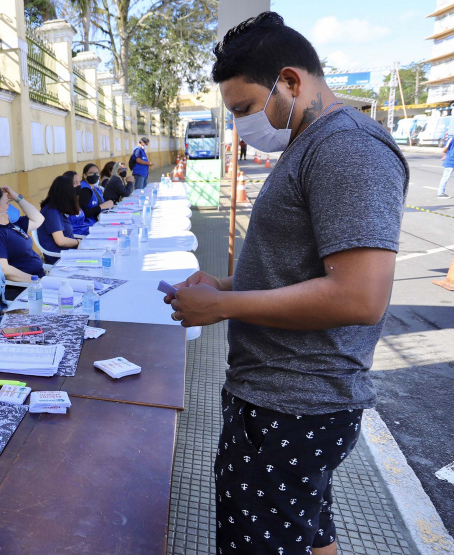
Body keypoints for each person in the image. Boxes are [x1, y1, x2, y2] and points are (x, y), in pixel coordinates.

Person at [164, 13, 407, 555]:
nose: (241, 127)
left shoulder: (347, 148)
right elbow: (297, 268)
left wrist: (224, 309)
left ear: (291, 82)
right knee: (310, 531)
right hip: (282, 398)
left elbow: (359, 296)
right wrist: (225, 287)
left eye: (245, 110)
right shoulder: (310, 141)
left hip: (292, 403)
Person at [0, 186, 45, 281]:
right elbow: (4, 269)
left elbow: (39, 219)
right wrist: (35, 280)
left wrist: (17, 198)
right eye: (7, 202)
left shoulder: (13, 224)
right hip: (26, 284)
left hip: (39, 276)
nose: (10, 206)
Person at [37, 175, 82, 262]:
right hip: (60, 258)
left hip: (68, 254)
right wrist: (78, 242)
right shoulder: (51, 212)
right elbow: (60, 241)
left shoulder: (56, 209)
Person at [72, 163, 114, 235]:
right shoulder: (85, 190)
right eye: (91, 173)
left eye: (97, 173)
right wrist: (102, 207)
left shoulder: (94, 188)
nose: (95, 175)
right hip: (88, 226)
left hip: (98, 221)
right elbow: (83, 213)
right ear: (84, 175)